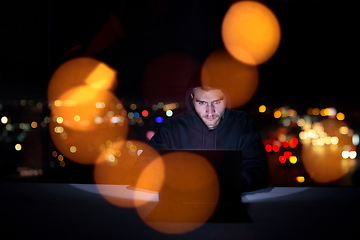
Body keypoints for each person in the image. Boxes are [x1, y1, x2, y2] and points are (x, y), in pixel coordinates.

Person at [149, 85, 269, 192]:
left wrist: (228, 186)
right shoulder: (171, 128)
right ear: (192, 98)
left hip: (229, 210)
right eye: (202, 103)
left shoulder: (241, 123)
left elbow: (258, 170)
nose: (210, 112)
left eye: (216, 102)